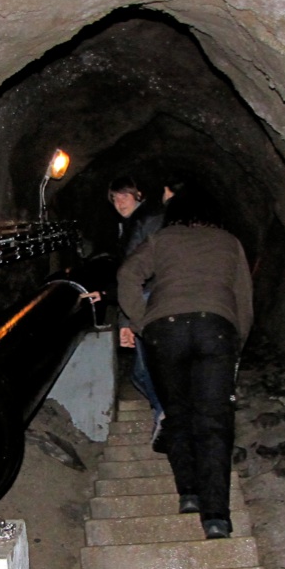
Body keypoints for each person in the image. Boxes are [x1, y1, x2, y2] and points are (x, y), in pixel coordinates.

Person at [117, 191, 253, 539]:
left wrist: (142, 320)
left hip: (165, 330)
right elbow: (243, 299)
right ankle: (216, 517)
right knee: (214, 421)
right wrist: (235, 343)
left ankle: (189, 494)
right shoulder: (229, 242)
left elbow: (128, 274)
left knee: (178, 414)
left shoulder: (162, 239)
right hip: (215, 328)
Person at [106, 176, 165, 436]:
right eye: (114, 199)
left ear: (138, 195)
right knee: (143, 372)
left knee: (144, 371)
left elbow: (136, 275)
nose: (119, 203)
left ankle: (166, 415)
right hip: (145, 300)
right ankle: (167, 413)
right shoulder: (133, 224)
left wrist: (127, 320)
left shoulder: (147, 222)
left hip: (148, 302)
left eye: (124, 196)